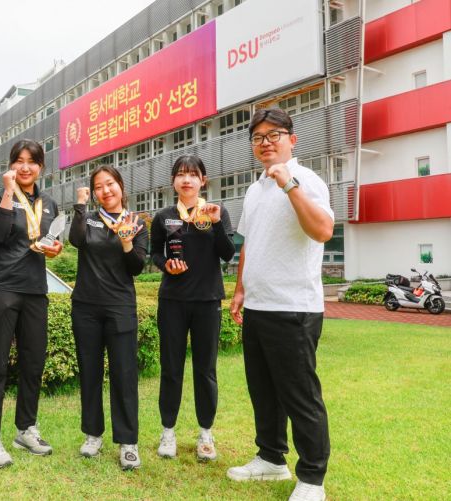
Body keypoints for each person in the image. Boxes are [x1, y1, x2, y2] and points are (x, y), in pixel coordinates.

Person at [228, 108, 334, 501]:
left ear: (293, 139)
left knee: (299, 394)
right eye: (258, 137)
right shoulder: (255, 190)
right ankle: (271, 458)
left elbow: (322, 230)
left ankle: (312, 479)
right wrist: (240, 290)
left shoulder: (307, 180)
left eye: (275, 134)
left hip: (294, 307)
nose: (266, 142)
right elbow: (248, 245)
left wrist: (289, 184)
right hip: (258, 306)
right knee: (264, 391)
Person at [0, 139, 63, 468]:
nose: (25, 167)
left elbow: (49, 241)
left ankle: (26, 428)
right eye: (19, 160)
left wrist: (55, 249)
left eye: (32, 161)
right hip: (1, 288)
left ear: (41, 166)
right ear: (11, 164)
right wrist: (10, 192)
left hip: (34, 290)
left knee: (33, 363)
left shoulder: (49, 202)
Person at [150, 155, 235, 461]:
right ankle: (168, 432)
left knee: (205, 371)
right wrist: (166, 265)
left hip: (207, 301)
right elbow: (153, 254)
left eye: (192, 175)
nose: (186, 180)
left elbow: (228, 254)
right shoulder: (163, 216)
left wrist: (215, 224)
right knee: (171, 369)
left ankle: (205, 434)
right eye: (181, 174)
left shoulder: (215, 212)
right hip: (172, 301)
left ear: (203, 180)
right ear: (173, 181)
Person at [69, 165, 148, 470]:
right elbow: (75, 240)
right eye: (99, 187)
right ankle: (92, 434)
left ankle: (128, 442)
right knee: (89, 373)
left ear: (120, 186)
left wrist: (127, 240)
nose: (105, 191)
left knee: (124, 375)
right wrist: (80, 204)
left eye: (110, 184)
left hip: (120, 308)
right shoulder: (88, 218)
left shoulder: (136, 222)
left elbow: (136, 268)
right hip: (86, 308)